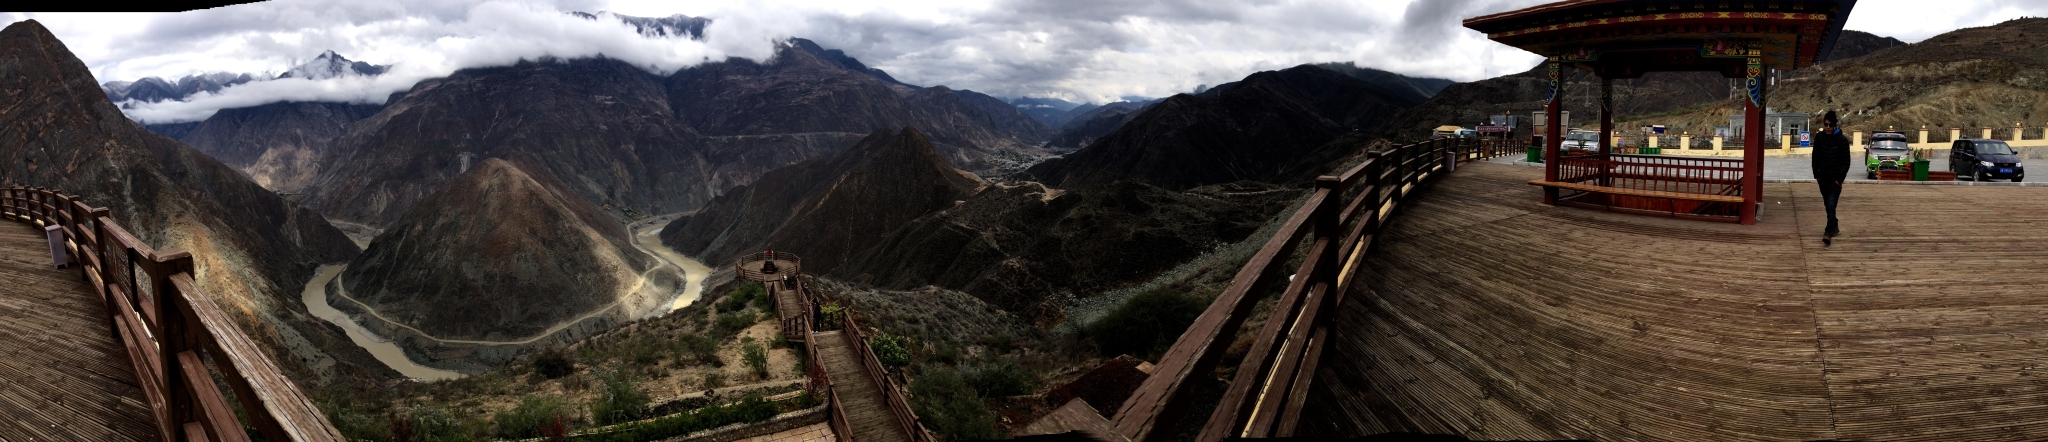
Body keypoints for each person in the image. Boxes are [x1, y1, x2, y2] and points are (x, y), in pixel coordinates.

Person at [1810, 111, 1851, 246]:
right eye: (1826, 124)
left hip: (1835, 180)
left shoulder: (1842, 140)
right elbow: (1815, 157)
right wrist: (1817, 175)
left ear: (1835, 125)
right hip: (1823, 179)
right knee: (1827, 205)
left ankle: (1828, 233)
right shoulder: (1819, 138)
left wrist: (1839, 179)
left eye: (1830, 125)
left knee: (1831, 205)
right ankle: (1835, 225)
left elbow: (1846, 161)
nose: (1827, 127)